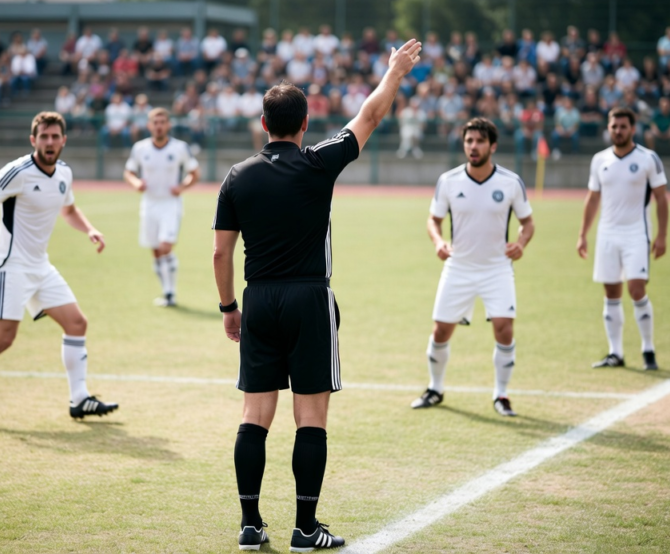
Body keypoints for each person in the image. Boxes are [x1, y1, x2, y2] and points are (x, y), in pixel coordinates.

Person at [212, 39, 422, 552]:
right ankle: (306, 530)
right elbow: (369, 115)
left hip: (257, 300)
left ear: (263, 123)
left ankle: (249, 524)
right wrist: (394, 71)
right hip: (309, 299)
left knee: (253, 416)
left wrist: (229, 307)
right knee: (311, 417)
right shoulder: (317, 162)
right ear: (305, 123)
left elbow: (220, 255)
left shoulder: (236, 177)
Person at [0, 112, 115, 425]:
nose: (49, 142)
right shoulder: (16, 171)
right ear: (33, 140)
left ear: (63, 140)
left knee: (76, 323)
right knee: (2, 338)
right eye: (43, 137)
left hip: (40, 265)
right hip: (10, 266)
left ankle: (79, 399)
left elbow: (69, 209)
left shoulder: (64, 174)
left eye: (54, 137)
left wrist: (89, 229)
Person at [411, 117, 534, 418]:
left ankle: (501, 394)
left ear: (492, 145)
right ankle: (435, 388)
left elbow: (527, 223)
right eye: (469, 141)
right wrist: (438, 241)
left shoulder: (510, 182)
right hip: (459, 267)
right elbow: (433, 220)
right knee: (441, 331)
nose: (473, 147)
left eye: (479, 141)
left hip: (497, 268)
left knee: (504, 329)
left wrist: (521, 243)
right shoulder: (449, 181)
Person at [577, 107, 669, 372]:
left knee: (637, 289)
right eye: (614, 126)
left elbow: (662, 198)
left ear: (633, 128)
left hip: (636, 234)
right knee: (611, 292)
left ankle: (648, 350)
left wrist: (661, 235)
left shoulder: (648, 158)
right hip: (607, 233)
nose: (618, 131)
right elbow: (592, 198)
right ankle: (615, 352)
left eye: (623, 127)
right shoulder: (599, 160)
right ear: (608, 128)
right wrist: (583, 234)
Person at [123, 109, 200, 307]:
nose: (159, 126)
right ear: (149, 125)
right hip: (149, 204)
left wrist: (182, 187)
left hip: (170, 204)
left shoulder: (180, 148)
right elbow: (129, 171)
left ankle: (170, 292)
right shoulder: (140, 148)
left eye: (162, 122)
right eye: (155, 122)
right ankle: (166, 292)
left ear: (168, 125)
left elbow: (194, 172)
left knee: (166, 246)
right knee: (156, 251)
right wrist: (136, 183)